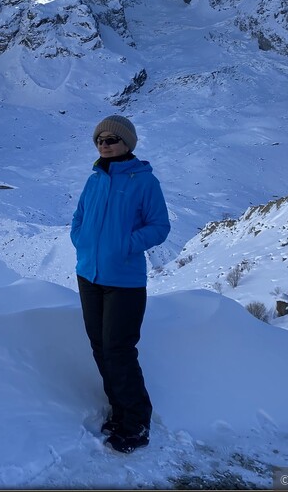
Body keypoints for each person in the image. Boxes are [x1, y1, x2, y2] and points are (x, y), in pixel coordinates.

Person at [70, 115, 170, 454]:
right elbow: (79, 217)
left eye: (112, 138)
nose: (105, 143)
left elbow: (159, 226)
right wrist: (81, 241)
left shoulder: (144, 182)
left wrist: (124, 245)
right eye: (100, 139)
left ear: (127, 143)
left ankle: (137, 420)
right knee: (100, 347)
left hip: (124, 282)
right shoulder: (94, 179)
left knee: (119, 350)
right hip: (88, 276)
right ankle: (119, 410)